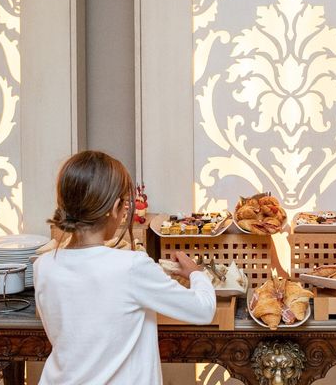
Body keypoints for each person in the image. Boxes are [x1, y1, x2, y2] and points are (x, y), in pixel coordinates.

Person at [33, 150, 216, 384]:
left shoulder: (43, 266)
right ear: (114, 207)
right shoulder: (130, 267)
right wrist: (196, 274)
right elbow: (203, 309)